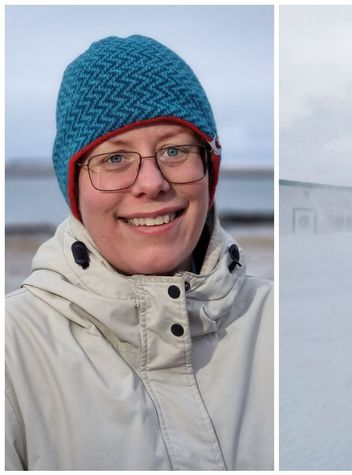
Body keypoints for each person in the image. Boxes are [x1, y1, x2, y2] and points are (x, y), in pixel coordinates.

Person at [5, 35, 274, 470]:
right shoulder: (12, 351)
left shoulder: (273, 323)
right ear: (74, 186)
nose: (152, 183)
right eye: (114, 159)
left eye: (174, 150)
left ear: (210, 168)